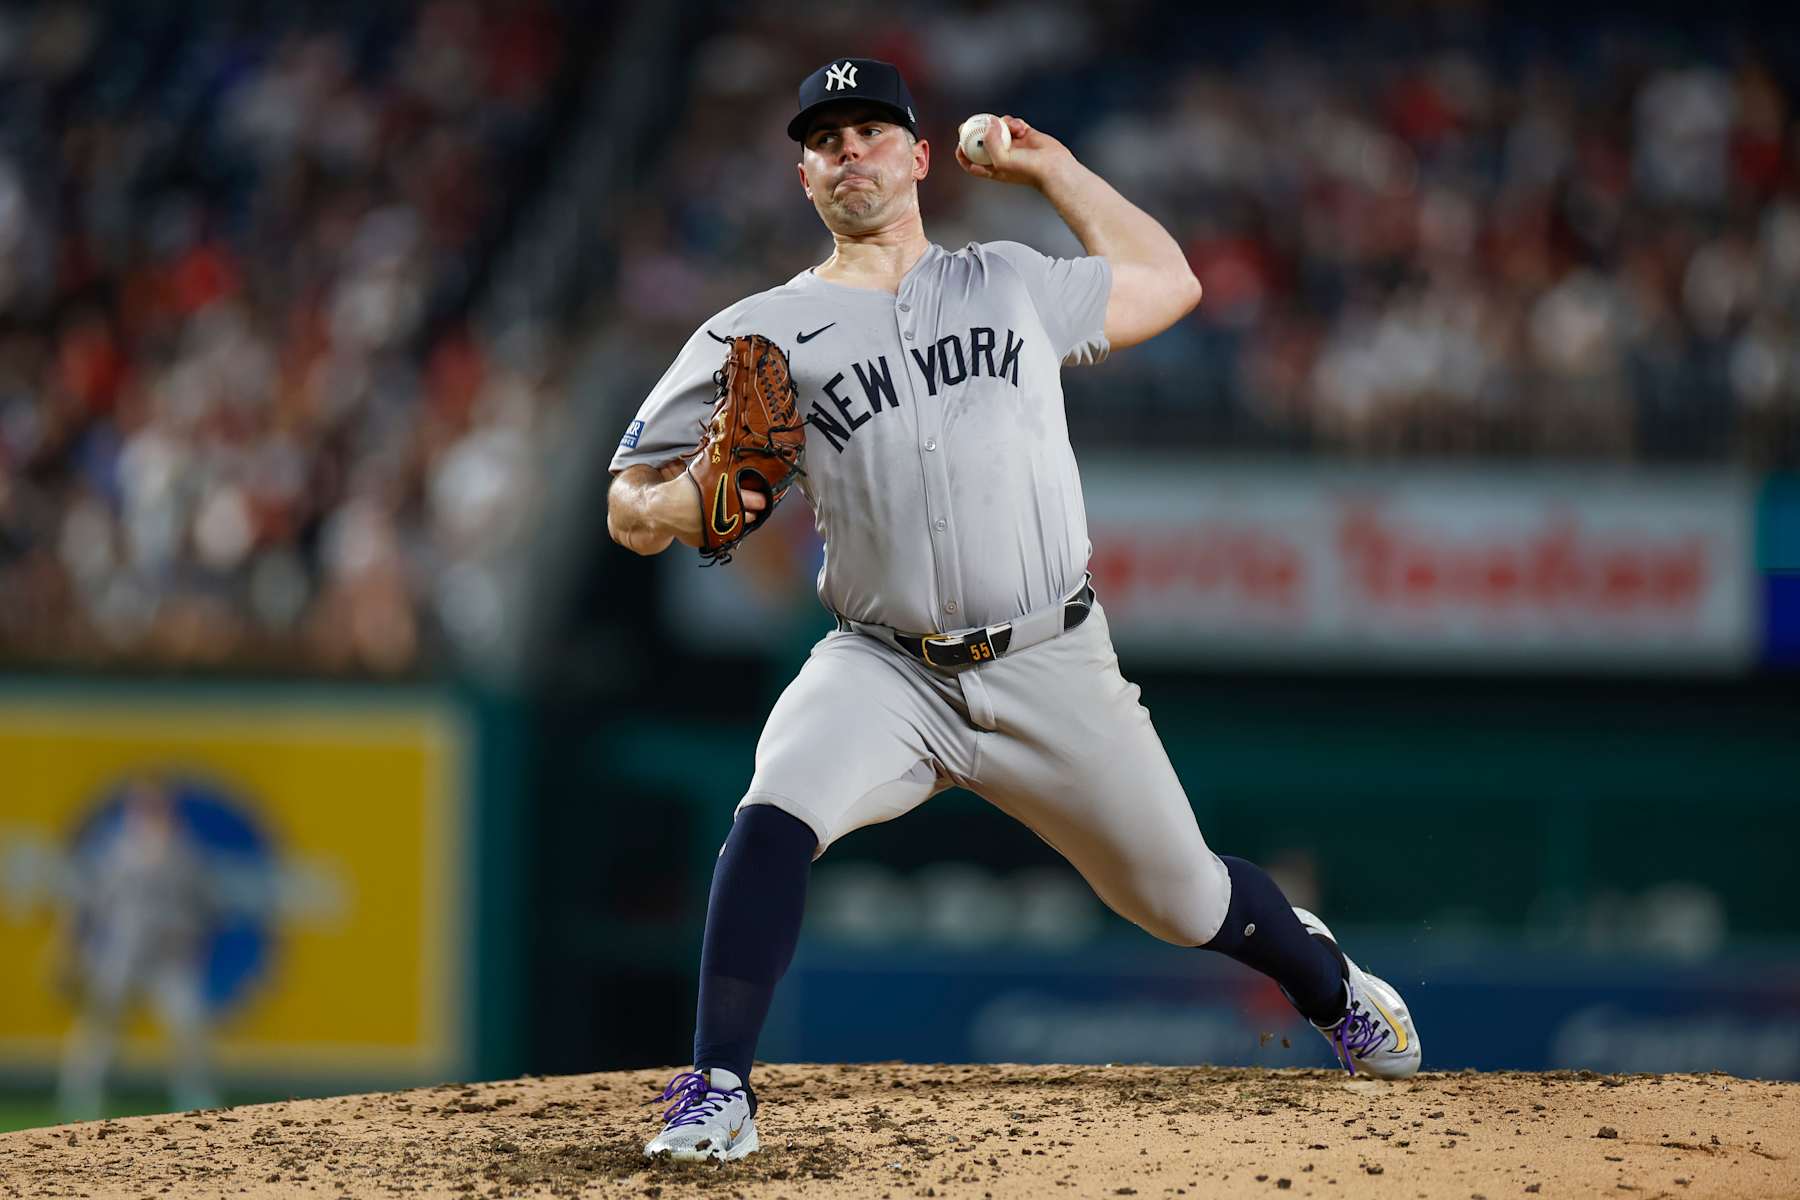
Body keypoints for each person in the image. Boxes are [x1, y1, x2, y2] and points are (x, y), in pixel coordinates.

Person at [608, 57, 1421, 1163]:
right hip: (883, 666)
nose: (851, 151)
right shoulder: (753, 334)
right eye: (826, 139)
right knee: (774, 807)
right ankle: (717, 1091)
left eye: (871, 131)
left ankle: (1331, 989)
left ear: (917, 157)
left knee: (1183, 900)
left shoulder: (1009, 281)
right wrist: (672, 502)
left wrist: (1054, 167)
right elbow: (626, 500)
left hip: (1050, 657)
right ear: (804, 176)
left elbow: (1169, 282)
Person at [55, 778, 220, 1121]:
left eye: (157, 806)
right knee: (99, 1030)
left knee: (188, 1028)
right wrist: (69, 949)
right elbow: (84, 904)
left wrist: (196, 946)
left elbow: (208, 909)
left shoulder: (187, 853)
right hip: (123, 951)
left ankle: (196, 1101)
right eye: (143, 806)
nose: (151, 814)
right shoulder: (114, 851)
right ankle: (81, 1100)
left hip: (170, 956)